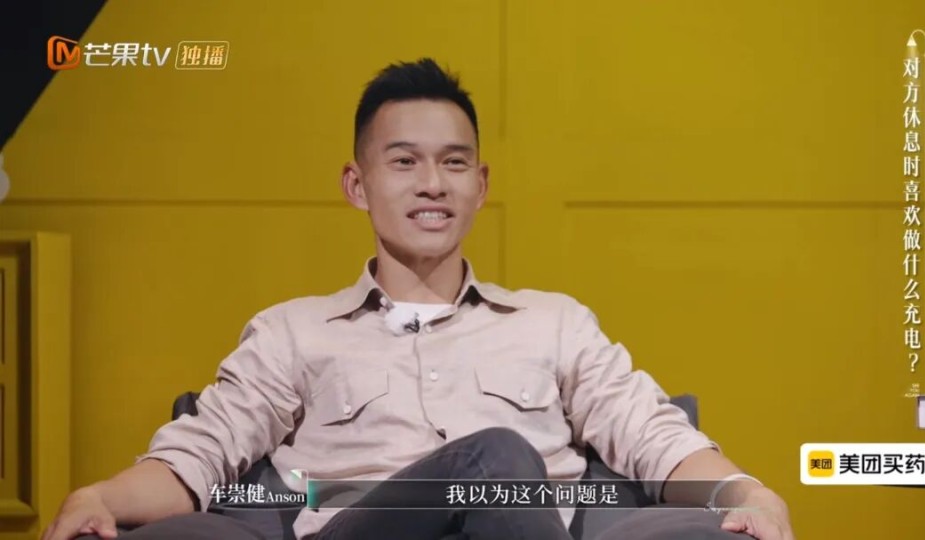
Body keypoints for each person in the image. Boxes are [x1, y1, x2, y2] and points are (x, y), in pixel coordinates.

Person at [43, 58, 794, 540]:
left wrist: (747, 493)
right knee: (498, 456)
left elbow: (651, 434)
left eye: (454, 164)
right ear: (357, 185)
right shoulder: (293, 332)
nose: (432, 184)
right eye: (404, 162)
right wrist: (103, 498)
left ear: (480, 185)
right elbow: (200, 453)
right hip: (363, 531)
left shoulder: (555, 323)